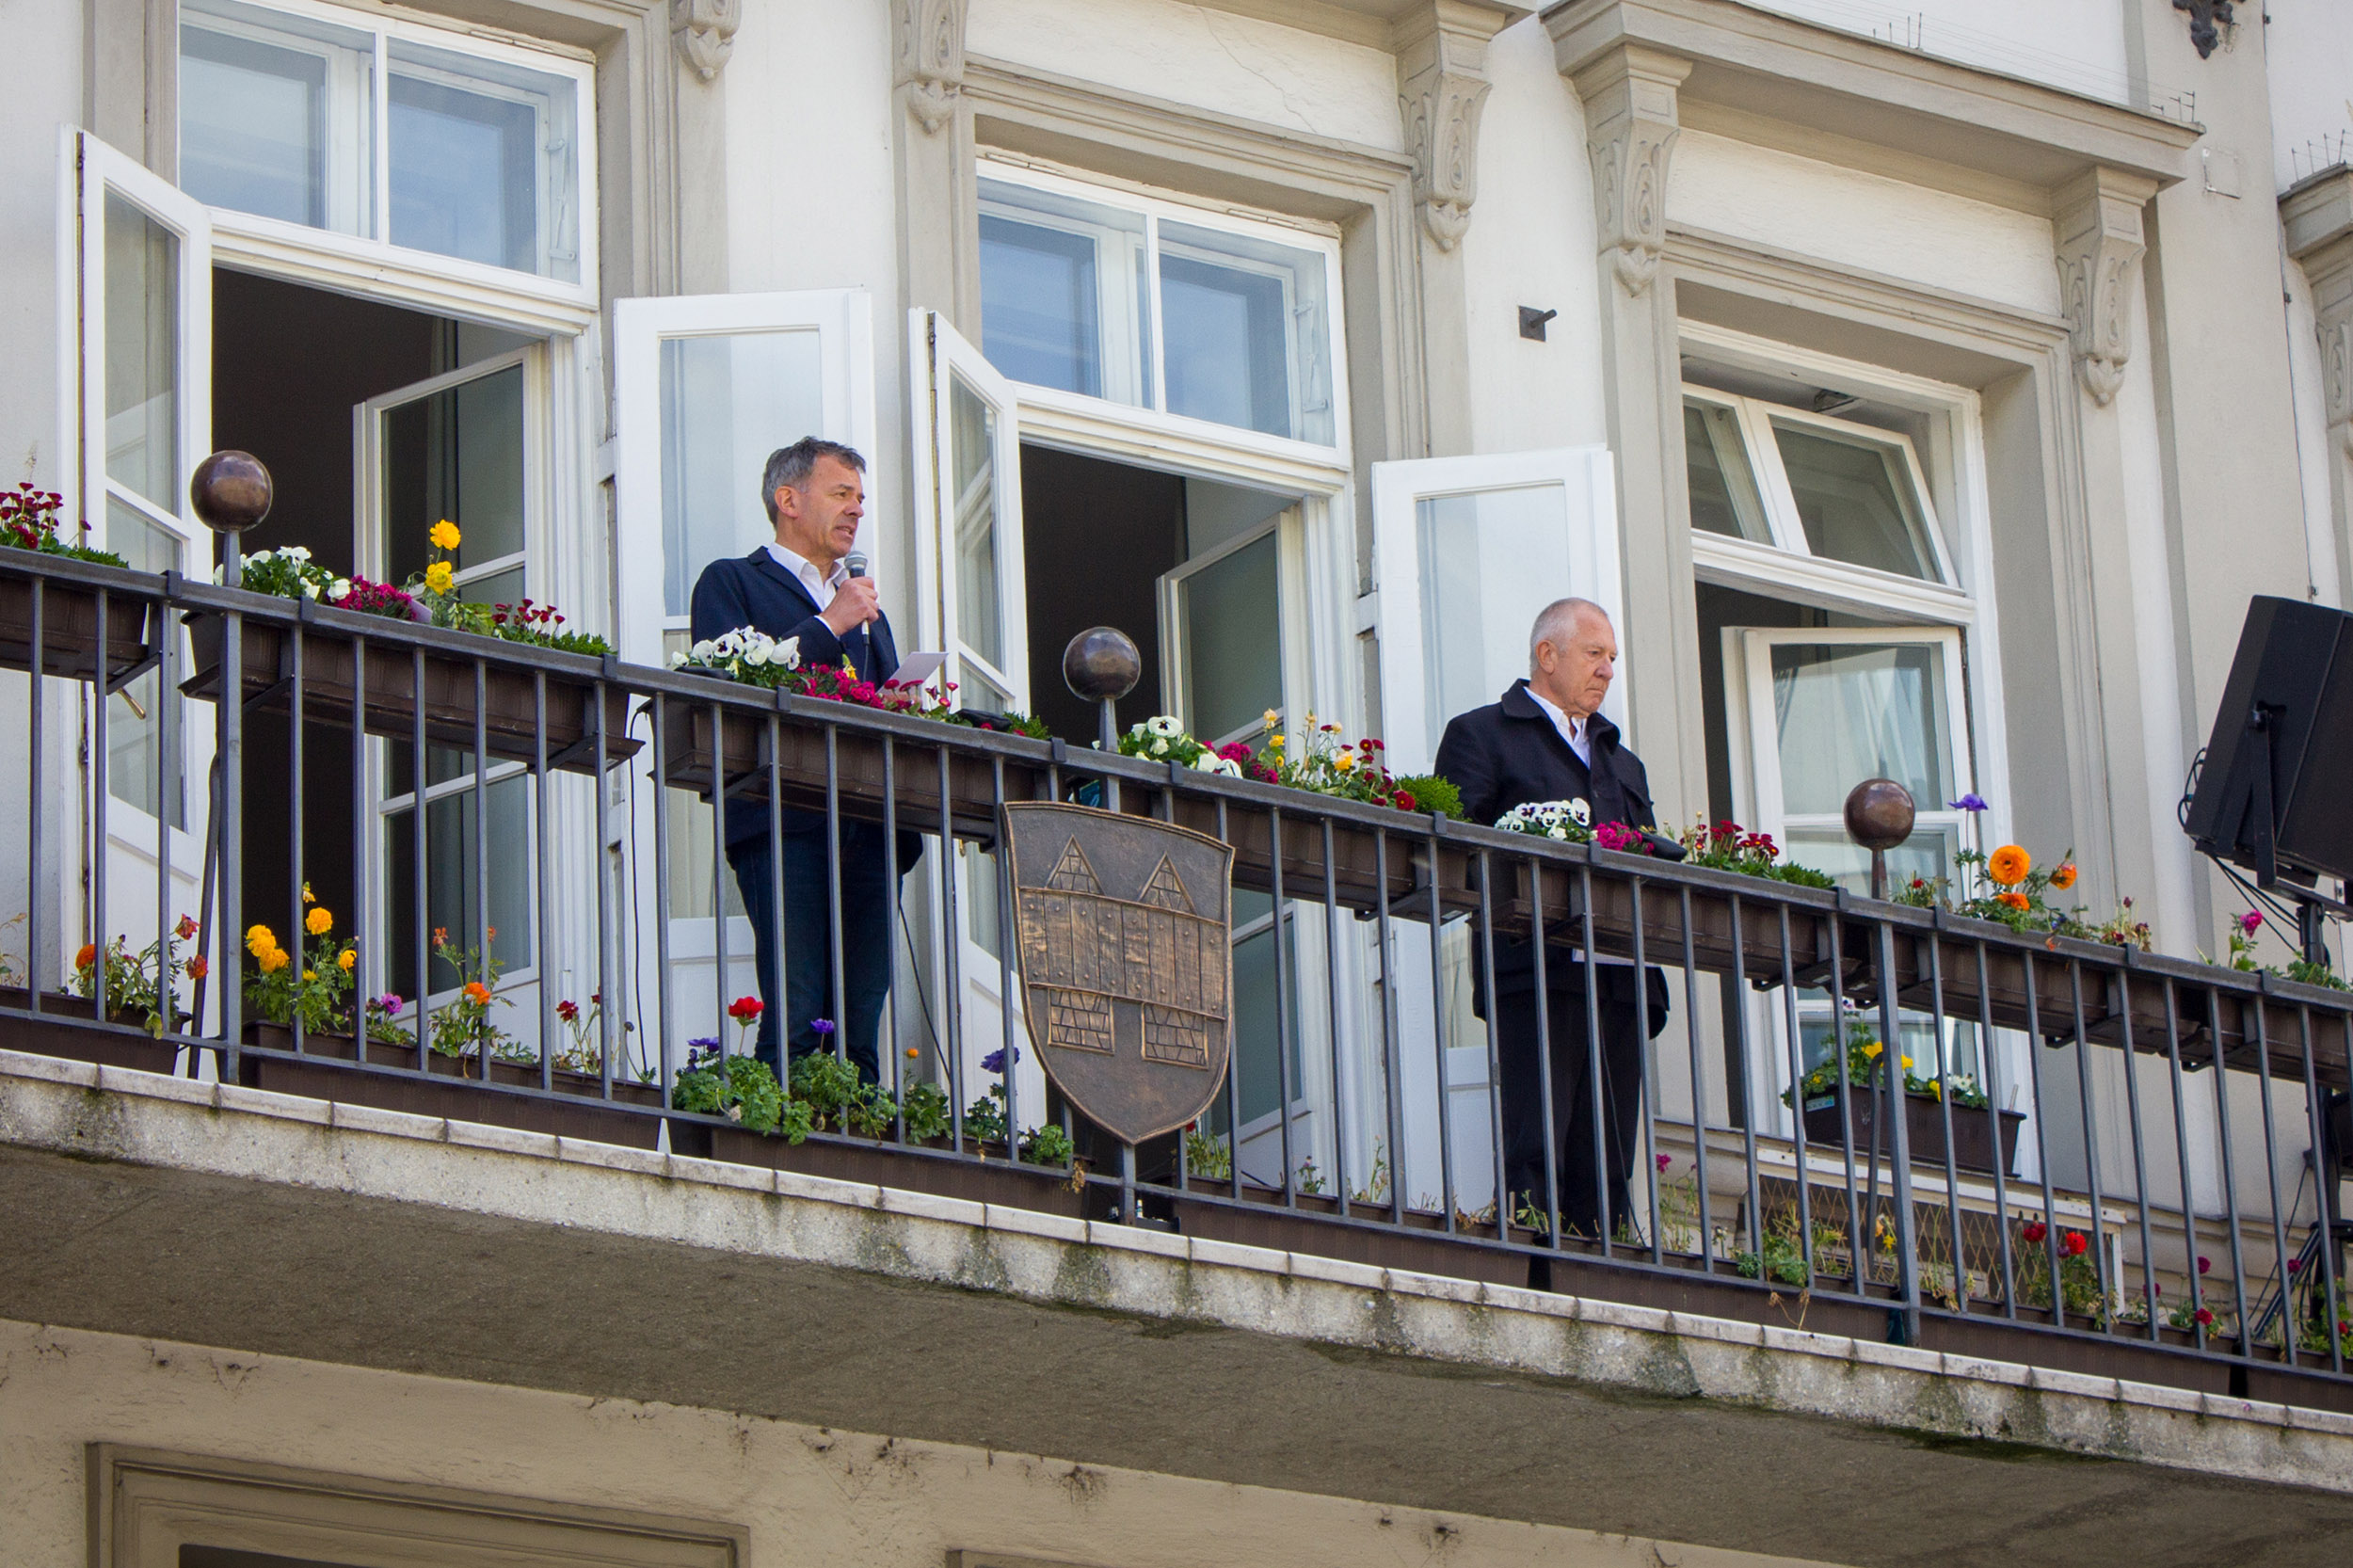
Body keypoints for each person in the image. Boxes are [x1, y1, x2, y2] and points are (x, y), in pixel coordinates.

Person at [1433, 597, 1672, 1241]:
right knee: (1538, 1133)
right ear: (1548, 654)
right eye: (1595, 655)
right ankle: (1539, 1261)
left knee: (1611, 1146)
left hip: (1620, 973)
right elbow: (1456, 851)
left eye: (1612, 659)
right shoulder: (1481, 733)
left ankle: (1609, 1264)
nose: (1607, 671)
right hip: (1535, 963)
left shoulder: (1622, 760)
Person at [689, 438, 915, 1085]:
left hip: (869, 825)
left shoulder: (867, 612)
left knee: (860, 1015)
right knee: (797, 1003)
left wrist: (907, 702)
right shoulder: (731, 581)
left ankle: (862, 1143)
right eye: (842, 494)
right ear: (788, 500)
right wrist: (828, 625)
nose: (856, 511)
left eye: (860, 499)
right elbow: (731, 685)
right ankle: (782, 1153)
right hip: (783, 818)